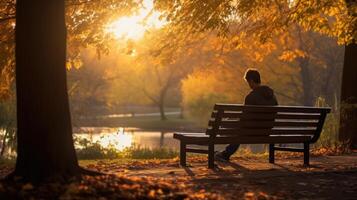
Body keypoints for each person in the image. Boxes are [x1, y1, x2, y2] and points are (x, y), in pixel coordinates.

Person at [215, 68, 278, 162]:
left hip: (252, 131)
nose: (249, 85)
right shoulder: (272, 96)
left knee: (235, 129)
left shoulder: (251, 97)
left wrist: (228, 123)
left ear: (251, 81)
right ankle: (225, 153)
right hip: (267, 130)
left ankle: (225, 154)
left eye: (248, 82)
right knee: (238, 129)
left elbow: (244, 119)